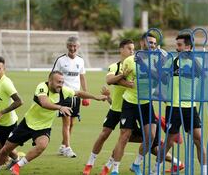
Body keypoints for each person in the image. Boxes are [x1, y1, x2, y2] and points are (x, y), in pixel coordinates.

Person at [0, 70, 108, 175]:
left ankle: (18, 166)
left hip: (43, 127)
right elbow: (44, 103)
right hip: (27, 123)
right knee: (5, 149)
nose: (61, 85)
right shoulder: (42, 87)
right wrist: (60, 107)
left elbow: (79, 93)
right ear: (50, 81)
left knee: (42, 145)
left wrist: (95, 97)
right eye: (58, 82)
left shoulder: (63, 90)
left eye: (62, 82)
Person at [83, 39, 135, 175]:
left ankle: (109, 165)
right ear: (121, 50)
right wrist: (124, 76)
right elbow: (109, 80)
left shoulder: (136, 67)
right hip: (115, 109)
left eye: (133, 49)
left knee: (123, 139)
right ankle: (90, 163)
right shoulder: (115, 66)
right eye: (129, 48)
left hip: (130, 110)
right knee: (104, 134)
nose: (132, 51)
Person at [110, 33, 158, 175]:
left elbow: (158, 78)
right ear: (142, 43)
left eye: (154, 43)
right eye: (150, 42)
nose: (152, 46)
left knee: (151, 136)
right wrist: (127, 83)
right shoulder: (130, 60)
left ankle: (136, 164)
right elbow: (119, 79)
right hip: (130, 103)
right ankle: (115, 169)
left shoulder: (156, 60)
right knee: (124, 136)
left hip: (146, 103)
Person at [162, 33, 207, 175]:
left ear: (188, 46)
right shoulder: (173, 61)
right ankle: (156, 169)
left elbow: (203, 74)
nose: (177, 48)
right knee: (169, 141)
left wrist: (192, 57)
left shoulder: (197, 60)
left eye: (180, 45)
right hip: (173, 107)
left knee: (198, 139)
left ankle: (204, 172)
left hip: (190, 107)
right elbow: (163, 79)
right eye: (177, 45)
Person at [52, 36, 88, 158]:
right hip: (64, 96)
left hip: (76, 95)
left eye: (75, 46)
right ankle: (68, 148)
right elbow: (53, 76)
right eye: (70, 46)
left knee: (72, 123)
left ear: (78, 47)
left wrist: (86, 94)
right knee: (66, 123)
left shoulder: (81, 61)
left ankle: (63, 146)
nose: (73, 48)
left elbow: (82, 77)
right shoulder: (61, 60)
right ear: (67, 46)